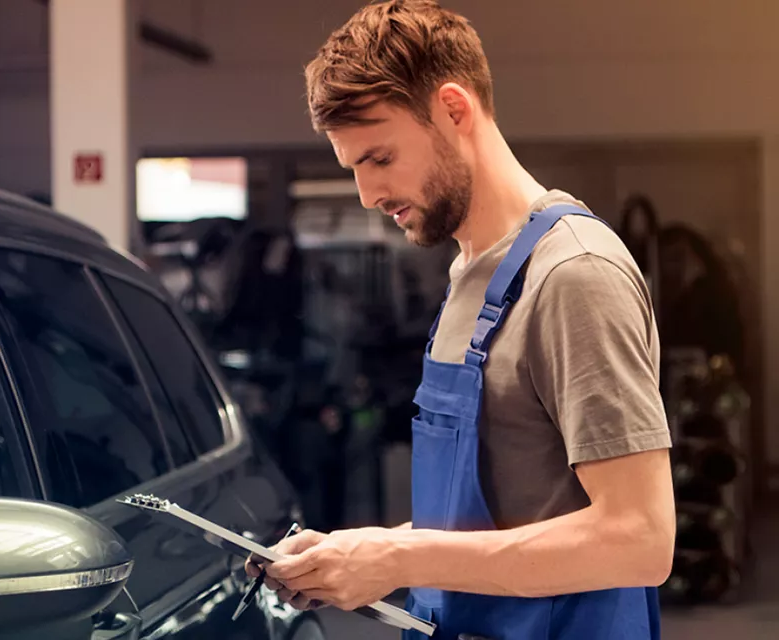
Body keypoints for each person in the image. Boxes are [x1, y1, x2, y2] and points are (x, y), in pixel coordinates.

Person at [246, 1, 675, 638]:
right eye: (354, 167)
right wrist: (365, 555)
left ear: (454, 109)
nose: (367, 195)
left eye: (380, 158)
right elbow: (508, 513)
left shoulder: (571, 276)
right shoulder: (468, 274)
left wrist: (400, 557)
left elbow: (641, 537)